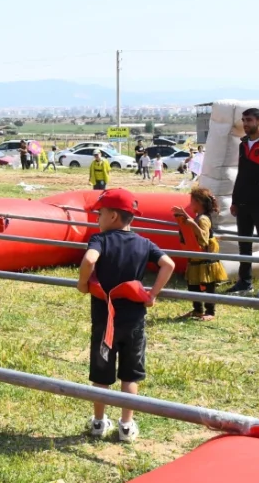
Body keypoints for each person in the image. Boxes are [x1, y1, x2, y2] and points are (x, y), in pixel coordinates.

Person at [76, 189, 175, 442]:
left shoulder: (100, 239)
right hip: (134, 322)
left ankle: (98, 423)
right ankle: (126, 426)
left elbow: (89, 259)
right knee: (130, 374)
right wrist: (152, 294)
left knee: (102, 373)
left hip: (104, 320)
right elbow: (169, 264)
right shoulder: (144, 243)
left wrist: (82, 283)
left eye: (100, 213)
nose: (97, 218)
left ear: (112, 216)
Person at [226, 108, 259, 298]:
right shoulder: (243, 144)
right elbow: (241, 175)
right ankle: (244, 282)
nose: (245, 123)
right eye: (243, 120)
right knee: (245, 244)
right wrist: (235, 200)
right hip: (243, 203)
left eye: (248, 120)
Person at [172, 187, 228, 320]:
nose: (190, 204)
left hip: (206, 256)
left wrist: (193, 225)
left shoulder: (203, 219)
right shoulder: (198, 217)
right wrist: (184, 216)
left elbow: (203, 239)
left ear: (199, 202)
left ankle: (210, 312)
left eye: (192, 201)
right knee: (193, 285)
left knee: (209, 285)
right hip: (197, 257)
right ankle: (197, 309)